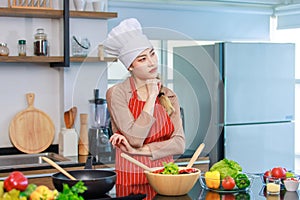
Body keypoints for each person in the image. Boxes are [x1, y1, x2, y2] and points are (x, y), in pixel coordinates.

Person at [103, 18, 185, 188]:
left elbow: (179, 144)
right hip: (132, 179)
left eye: (152, 53)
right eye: (142, 59)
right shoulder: (117, 94)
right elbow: (135, 138)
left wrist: (138, 152)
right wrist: (151, 95)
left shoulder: (169, 96)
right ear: (130, 67)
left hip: (166, 178)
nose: (152, 62)